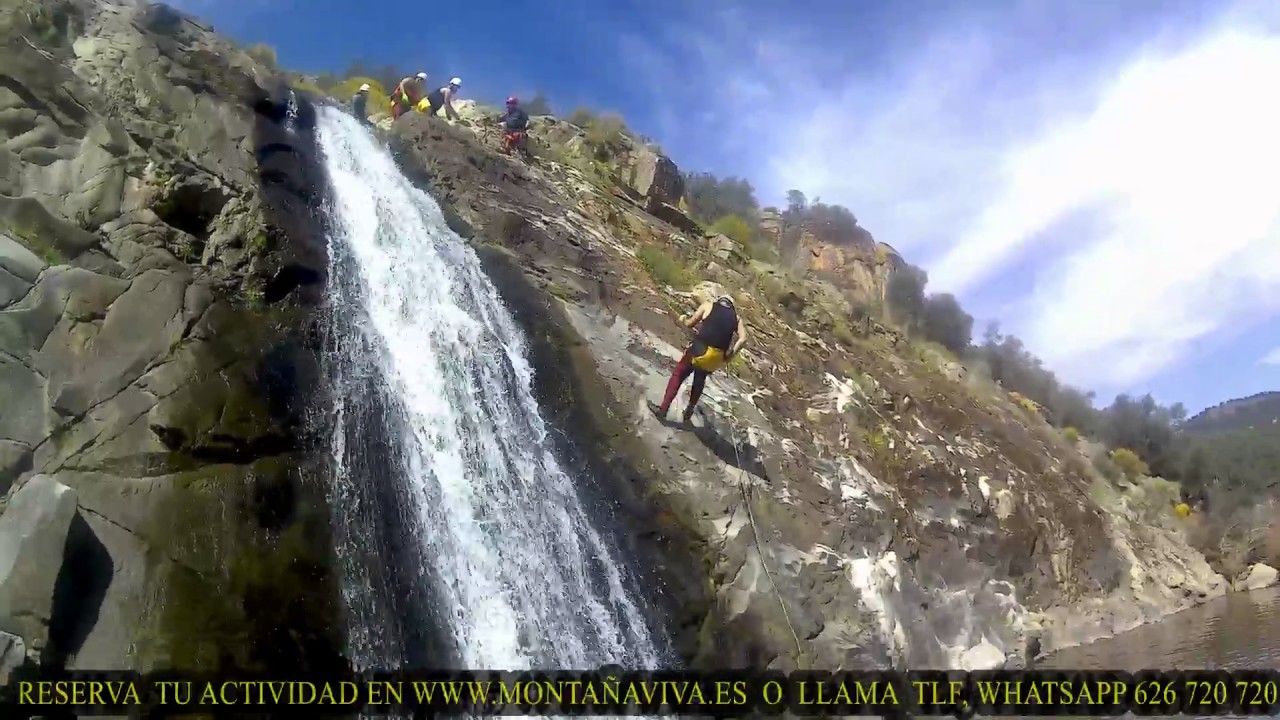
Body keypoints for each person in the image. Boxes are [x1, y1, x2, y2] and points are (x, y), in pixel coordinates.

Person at [650, 295, 748, 424]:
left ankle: (663, 410)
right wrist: (730, 356)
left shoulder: (708, 305)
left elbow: (690, 324)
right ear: (731, 306)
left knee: (679, 374)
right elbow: (743, 339)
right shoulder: (736, 318)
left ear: (719, 300)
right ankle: (689, 411)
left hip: (700, 351)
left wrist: (683, 319)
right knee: (700, 378)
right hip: (716, 358)